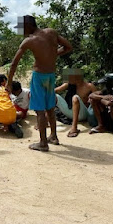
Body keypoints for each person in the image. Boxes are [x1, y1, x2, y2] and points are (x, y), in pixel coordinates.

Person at [7, 15, 72, 152]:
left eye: (22, 27)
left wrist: (9, 83)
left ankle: (43, 143)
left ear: (28, 25)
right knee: (50, 107)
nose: (21, 30)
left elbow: (14, 64)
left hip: (39, 77)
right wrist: (54, 54)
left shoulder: (29, 41)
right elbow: (68, 47)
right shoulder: (51, 33)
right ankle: (53, 136)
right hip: (50, 76)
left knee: (39, 110)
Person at [54, 69, 98, 137]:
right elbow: (56, 90)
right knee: (54, 96)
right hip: (70, 112)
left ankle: (74, 128)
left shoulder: (89, 86)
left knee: (75, 98)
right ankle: (45, 120)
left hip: (84, 114)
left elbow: (98, 97)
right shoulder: (69, 84)